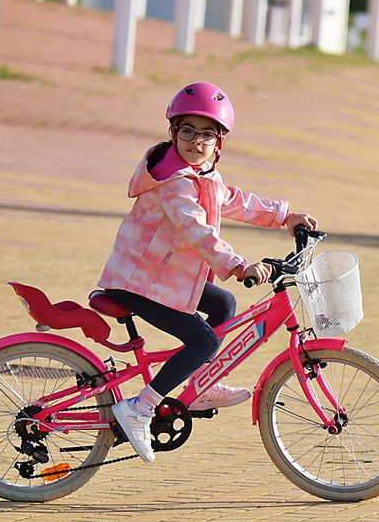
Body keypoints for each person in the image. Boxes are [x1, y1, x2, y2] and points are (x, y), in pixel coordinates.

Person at [97, 83, 317, 463]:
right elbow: (195, 229)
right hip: (139, 281)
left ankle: (198, 385)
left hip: (162, 276)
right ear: (172, 133)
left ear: (219, 143)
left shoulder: (201, 173)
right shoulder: (175, 182)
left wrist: (285, 216)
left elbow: (233, 199)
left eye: (207, 134)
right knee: (204, 342)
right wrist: (237, 264)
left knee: (224, 305)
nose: (196, 141)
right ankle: (140, 407)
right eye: (187, 131)